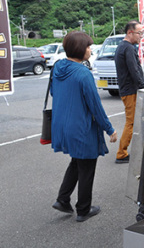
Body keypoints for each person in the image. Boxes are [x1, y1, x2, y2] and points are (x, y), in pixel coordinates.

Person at [51, 31, 118, 222]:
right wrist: (109, 129)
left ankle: (63, 199)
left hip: (63, 125)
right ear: (80, 49)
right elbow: (95, 106)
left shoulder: (58, 67)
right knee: (87, 166)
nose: (90, 50)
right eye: (88, 47)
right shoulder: (83, 73)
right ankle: (83, 210)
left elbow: (55, 93)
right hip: (81, 128)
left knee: (77, 161)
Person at [114, 20, 144, 164]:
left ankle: (127, 149)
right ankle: (121, 153)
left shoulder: (122, 46)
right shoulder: (128, 48)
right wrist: (142, 86)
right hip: (130, 90)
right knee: (131, 122)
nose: (141, 36)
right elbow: (134, 69)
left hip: (127, 89)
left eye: (142, 33)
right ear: (129, 32)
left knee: (133, 121)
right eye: (139, 33)